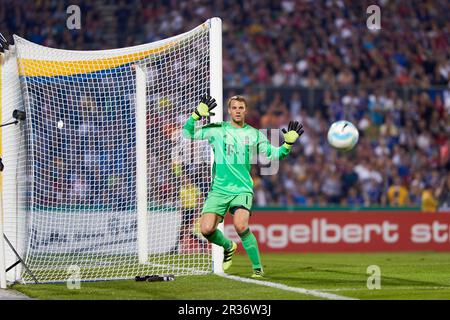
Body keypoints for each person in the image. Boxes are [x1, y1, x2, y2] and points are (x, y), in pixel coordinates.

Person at [182, 94, 303, 278]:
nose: (237, 111)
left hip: (242, 188)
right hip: (219, 190)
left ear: (246, 111)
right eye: (234, 108)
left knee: (240, 225)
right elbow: (187, 133)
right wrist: (195, 116)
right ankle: (228, 246)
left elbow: (274, 155)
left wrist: (287, 144)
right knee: (206, 229)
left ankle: (257, 267)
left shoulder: (254, 134)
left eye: (241, 108)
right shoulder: (217, 129)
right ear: (229, 110)